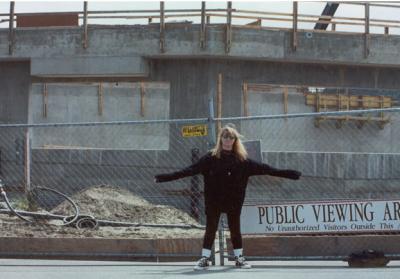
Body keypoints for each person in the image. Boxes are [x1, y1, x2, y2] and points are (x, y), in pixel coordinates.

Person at [154, 124, 301, 270]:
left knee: (235, 229)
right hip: (214, 201)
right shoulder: (210, 158)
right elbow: (189, 170)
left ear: (235, 140)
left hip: (234, 202)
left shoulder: (243, 161)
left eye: (231, 137)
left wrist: (289, 174)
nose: (228, 139)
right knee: (211, 229)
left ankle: (239, 258)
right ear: (220, 139)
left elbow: (267, 169)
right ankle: (204, 258)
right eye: (225, 136)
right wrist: (164, 177)